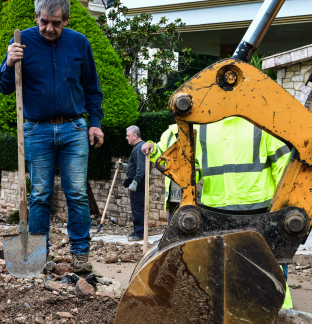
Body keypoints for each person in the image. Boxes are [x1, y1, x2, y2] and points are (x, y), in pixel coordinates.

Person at [0, 0, 104, 273]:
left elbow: (92, 89)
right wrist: (8, 63)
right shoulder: (21, 43)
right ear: (36, 17)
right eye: (44, 22)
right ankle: (37, 256)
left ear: (66, 20)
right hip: (37, 131)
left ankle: (80, 254)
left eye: (56, 23)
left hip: (74, 129)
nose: (49, 28)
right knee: (40, 194)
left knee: (77, 194)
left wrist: (95, 122)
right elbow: (5, 87)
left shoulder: (80, 43)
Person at [142, 117, 294, 308]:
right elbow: (190, 170)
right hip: (238, 206)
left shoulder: (258, 122)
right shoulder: (254, 121)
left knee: (260, 262)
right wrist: (157, 154)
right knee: (252, 263)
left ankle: (276, 310)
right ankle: (263, 310)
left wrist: (285, 204)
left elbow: (284, 165)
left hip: (247, 208)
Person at [123, 126, 146, 242]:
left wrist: (135, 181)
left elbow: (142, 168)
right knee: (136, 207)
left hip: (139, 184)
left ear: (135, 136)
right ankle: (138, 231)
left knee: (137, 208)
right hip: (137, 183)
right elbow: (136, 166)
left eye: (128, 135)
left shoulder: (140, 147)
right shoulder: (138, 147)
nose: (126, 138)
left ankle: (140, 233)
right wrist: (124, 166)